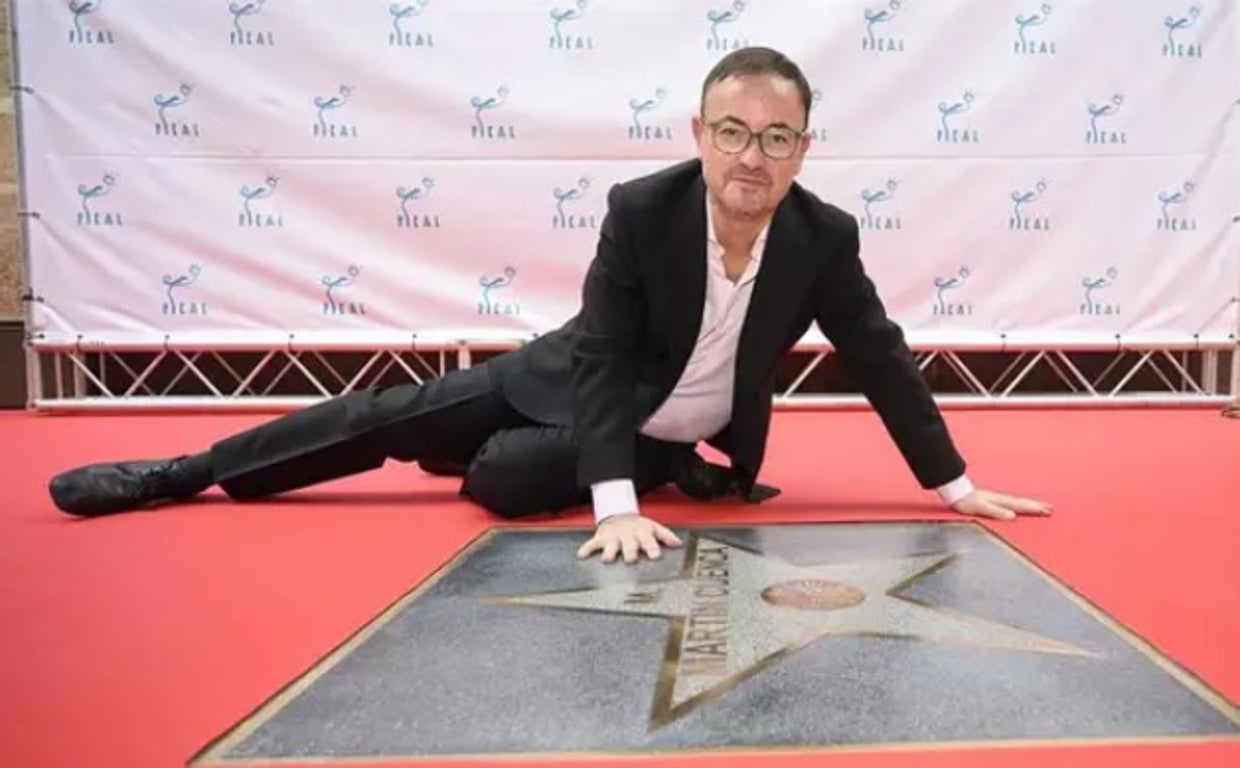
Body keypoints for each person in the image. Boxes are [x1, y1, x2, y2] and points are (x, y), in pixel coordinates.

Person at [48, 47, 1052, 563]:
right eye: (735, 131)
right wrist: (614, 507)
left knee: (500, 479)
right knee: (389, 417)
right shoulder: (642, 209)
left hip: (662, 436)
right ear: (700, 132)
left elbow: (877, 355)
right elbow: (607, 356)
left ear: (804, 147)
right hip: (567, 380)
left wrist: (953, 485)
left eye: (777, 137)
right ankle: (184, 474)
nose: (754, 155)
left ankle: (514, 462)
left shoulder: (822, 238)